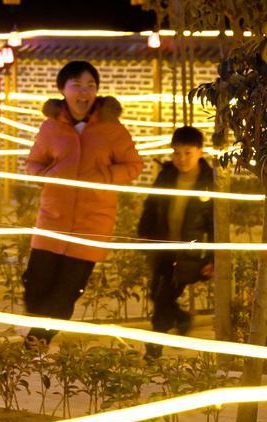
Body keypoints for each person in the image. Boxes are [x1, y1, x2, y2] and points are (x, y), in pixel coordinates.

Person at [23, 61, 144, 346]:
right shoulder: (51, 127)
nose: (84, 92)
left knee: (66, 293)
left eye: (91, 86)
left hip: (93, 223)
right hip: (52, 220)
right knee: (34, 287)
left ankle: (37, 342)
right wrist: (48, 178)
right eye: (77, 85)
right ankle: (37, 334)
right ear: (63, 90)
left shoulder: (112, 129)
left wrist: (104, 176)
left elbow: (134, 165)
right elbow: (33, 162)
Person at [137, 126, 214, 358]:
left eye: (187, 153)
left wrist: (213, 257)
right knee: (155, 293)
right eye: (176, 153)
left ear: (201, 152)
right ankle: (181, 318)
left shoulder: (209, 182)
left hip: (188, 254)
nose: (181, 159)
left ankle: (154, 348)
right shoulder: (167, 174)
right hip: (163, 247)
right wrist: (144, 232)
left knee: (163, 297)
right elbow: (152, 204)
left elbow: (215, 223)